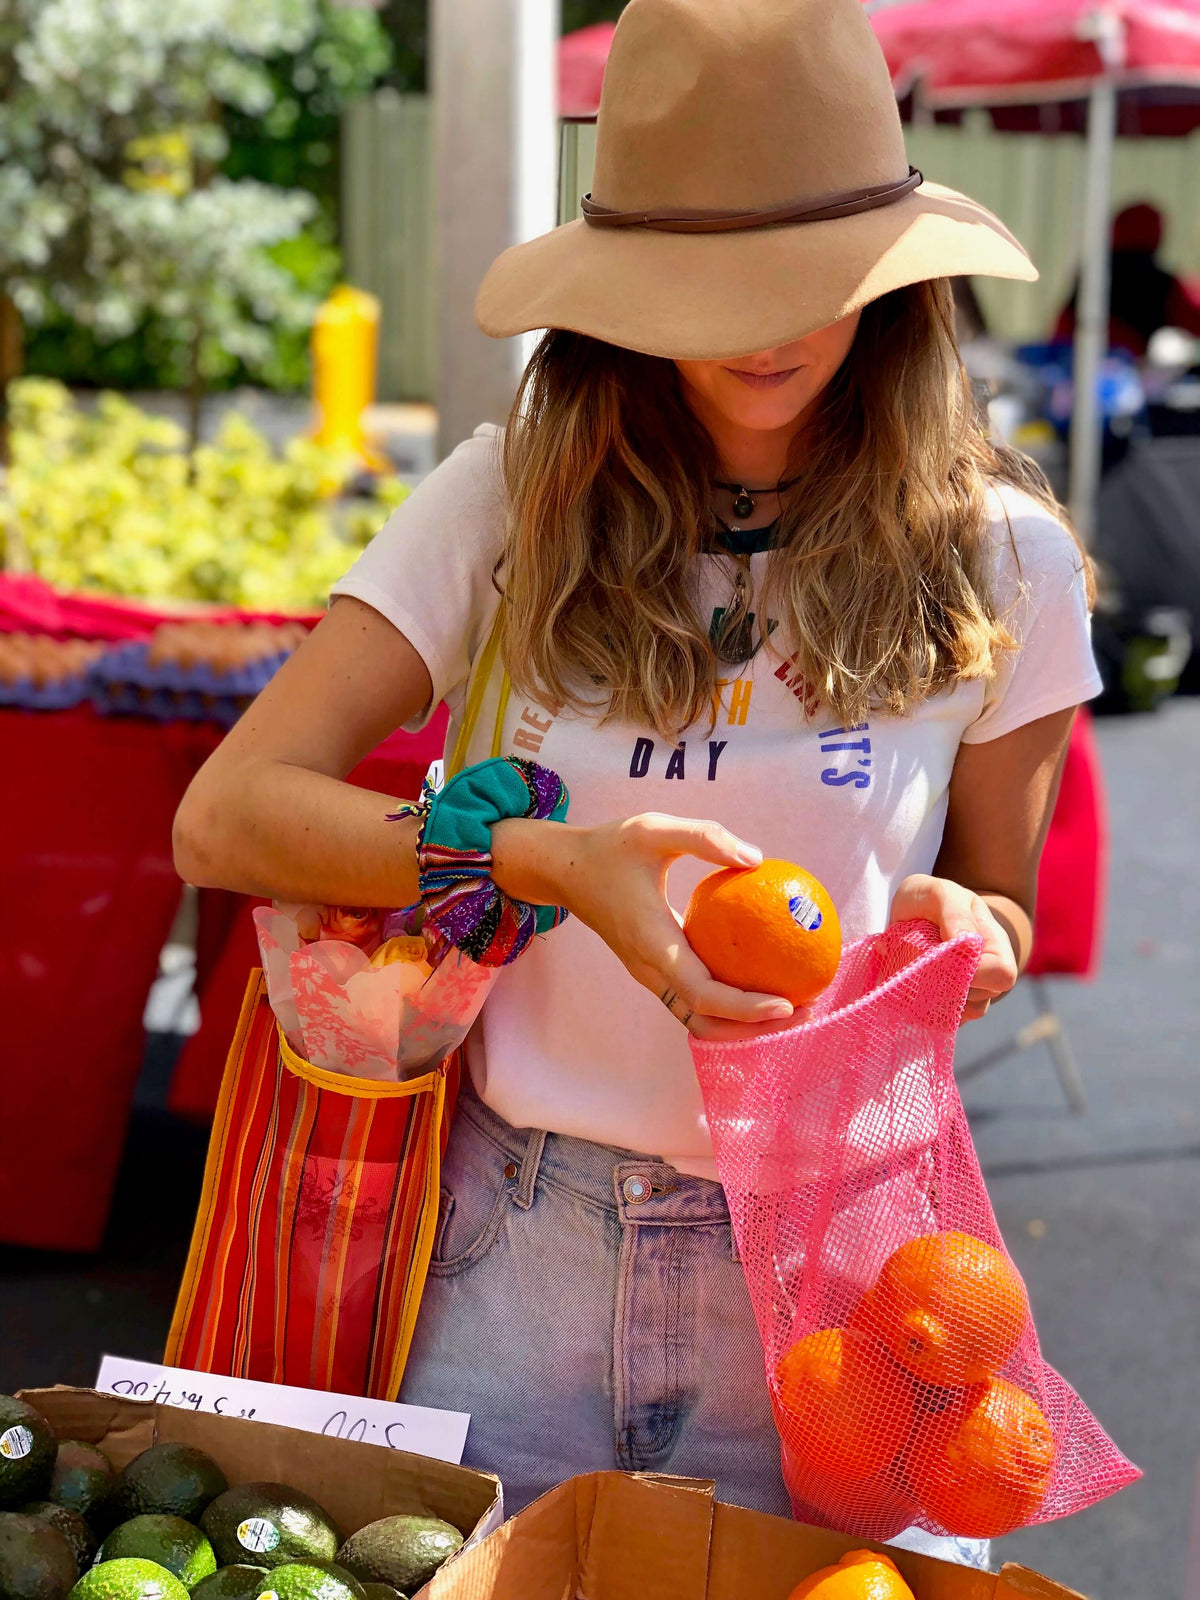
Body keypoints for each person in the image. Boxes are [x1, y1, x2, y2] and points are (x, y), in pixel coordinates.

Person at [174, 0, 1101, 1568]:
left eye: (812, 271)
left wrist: (973, 927)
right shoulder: (511, 503)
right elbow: (229, 813)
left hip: (845, 1290)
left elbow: (1000, 901)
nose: (768, 322)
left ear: (894, 277)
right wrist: (535, 866)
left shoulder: (1000, 558)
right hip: (504, 1264)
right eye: (707, 278)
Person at [1054, 201, 1200, 356]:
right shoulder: (1163, 283)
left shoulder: (1090, 272)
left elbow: (1063, 326)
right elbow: (1192, 321)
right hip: (1131, 372)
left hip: (1074, 363)